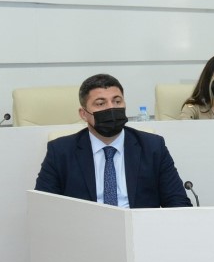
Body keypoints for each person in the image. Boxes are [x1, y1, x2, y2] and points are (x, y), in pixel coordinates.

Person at [35, 74, 191, 208]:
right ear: (83, 114)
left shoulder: (152, 147)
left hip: (139, 229)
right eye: (100, 103)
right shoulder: (61, 151)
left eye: (117, 101)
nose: (111, 108)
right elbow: (43, 208)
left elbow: (178, 203)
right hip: (85, 230)